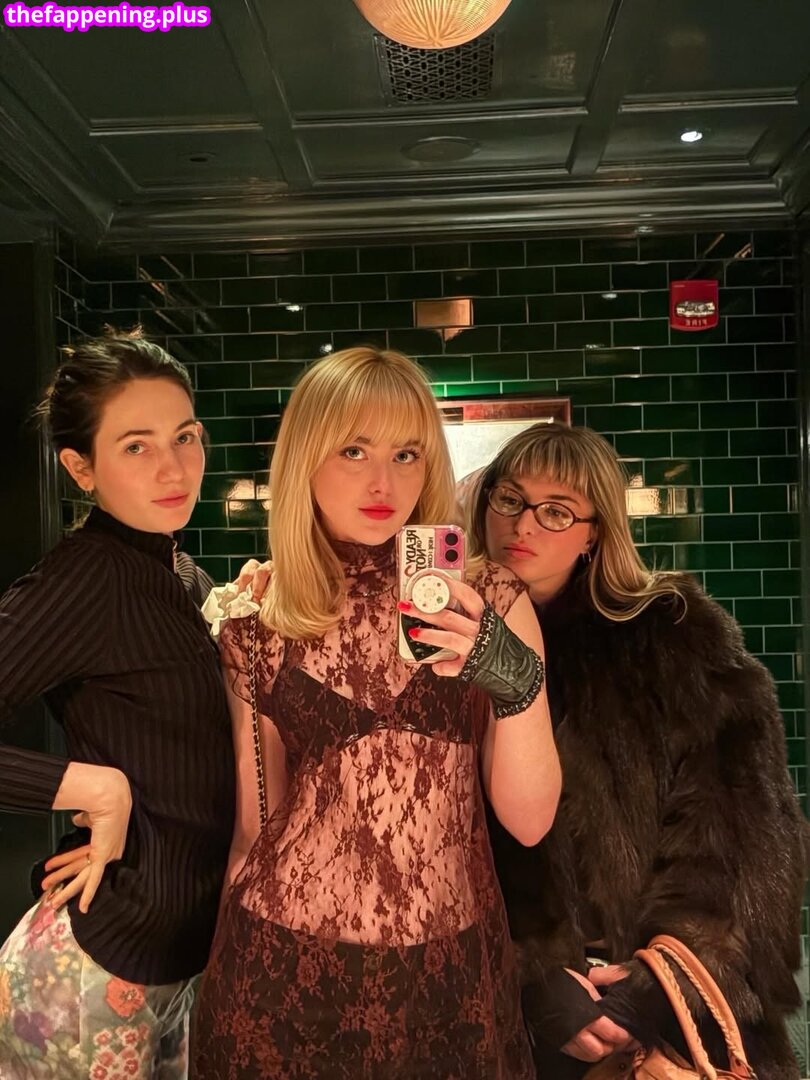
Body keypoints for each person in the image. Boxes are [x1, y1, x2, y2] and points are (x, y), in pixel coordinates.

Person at [190, 346, 561, 1079]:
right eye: (353, 450)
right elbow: (256, 829)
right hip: (282, 974)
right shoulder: (259, 619)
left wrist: (509, 672)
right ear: (305, 458)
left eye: (406, 453)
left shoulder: (489, 598)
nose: (382, 482)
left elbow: (530, 820)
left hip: (451, 978)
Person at [464, 421, 808, 1080]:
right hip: (506, 1016)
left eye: (556, 510)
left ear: (595, 532)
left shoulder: (672, 637)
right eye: (508, 499)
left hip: (667, 1021)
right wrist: (530, 981)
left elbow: (746, 838)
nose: (522, 524)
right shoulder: (445, 642)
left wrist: (655, 990)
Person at [0, 334, 235, 1079]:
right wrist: (91, 787)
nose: (174, 468)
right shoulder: (82, 581)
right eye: (137, 446)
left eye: (185, 437)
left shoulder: (179, 572)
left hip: (176, 965)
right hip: (92, 973)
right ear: (81, 468)